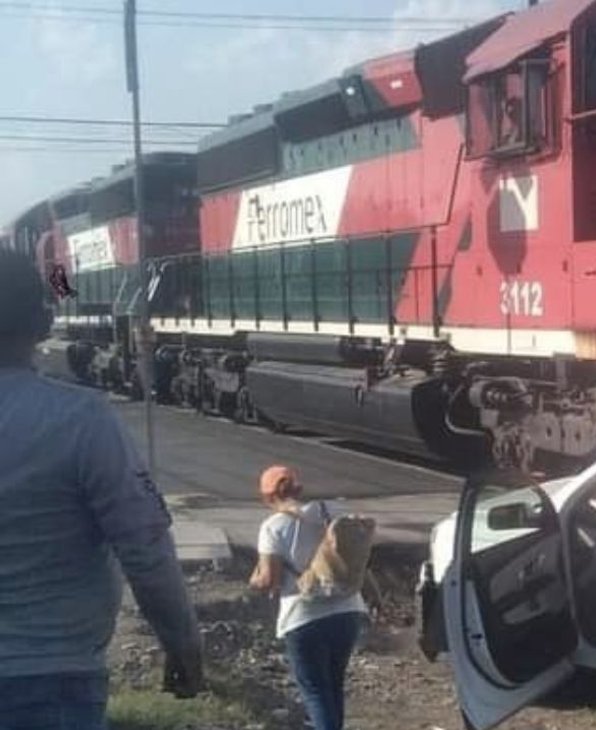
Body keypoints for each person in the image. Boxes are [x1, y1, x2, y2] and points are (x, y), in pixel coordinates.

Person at [0, 249, 204, 728]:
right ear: (42, 322)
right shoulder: (82, 420)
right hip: (53, 681)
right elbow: (145, 547)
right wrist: (183, 642)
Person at [249, 465, 368, 730]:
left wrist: (253, 581)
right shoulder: (332, 510)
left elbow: (269, 580)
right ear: (299, 489)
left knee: (315, 691)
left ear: (267, 497)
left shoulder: (272, 527)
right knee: (333, 685)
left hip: (303, 617)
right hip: (348, 611)